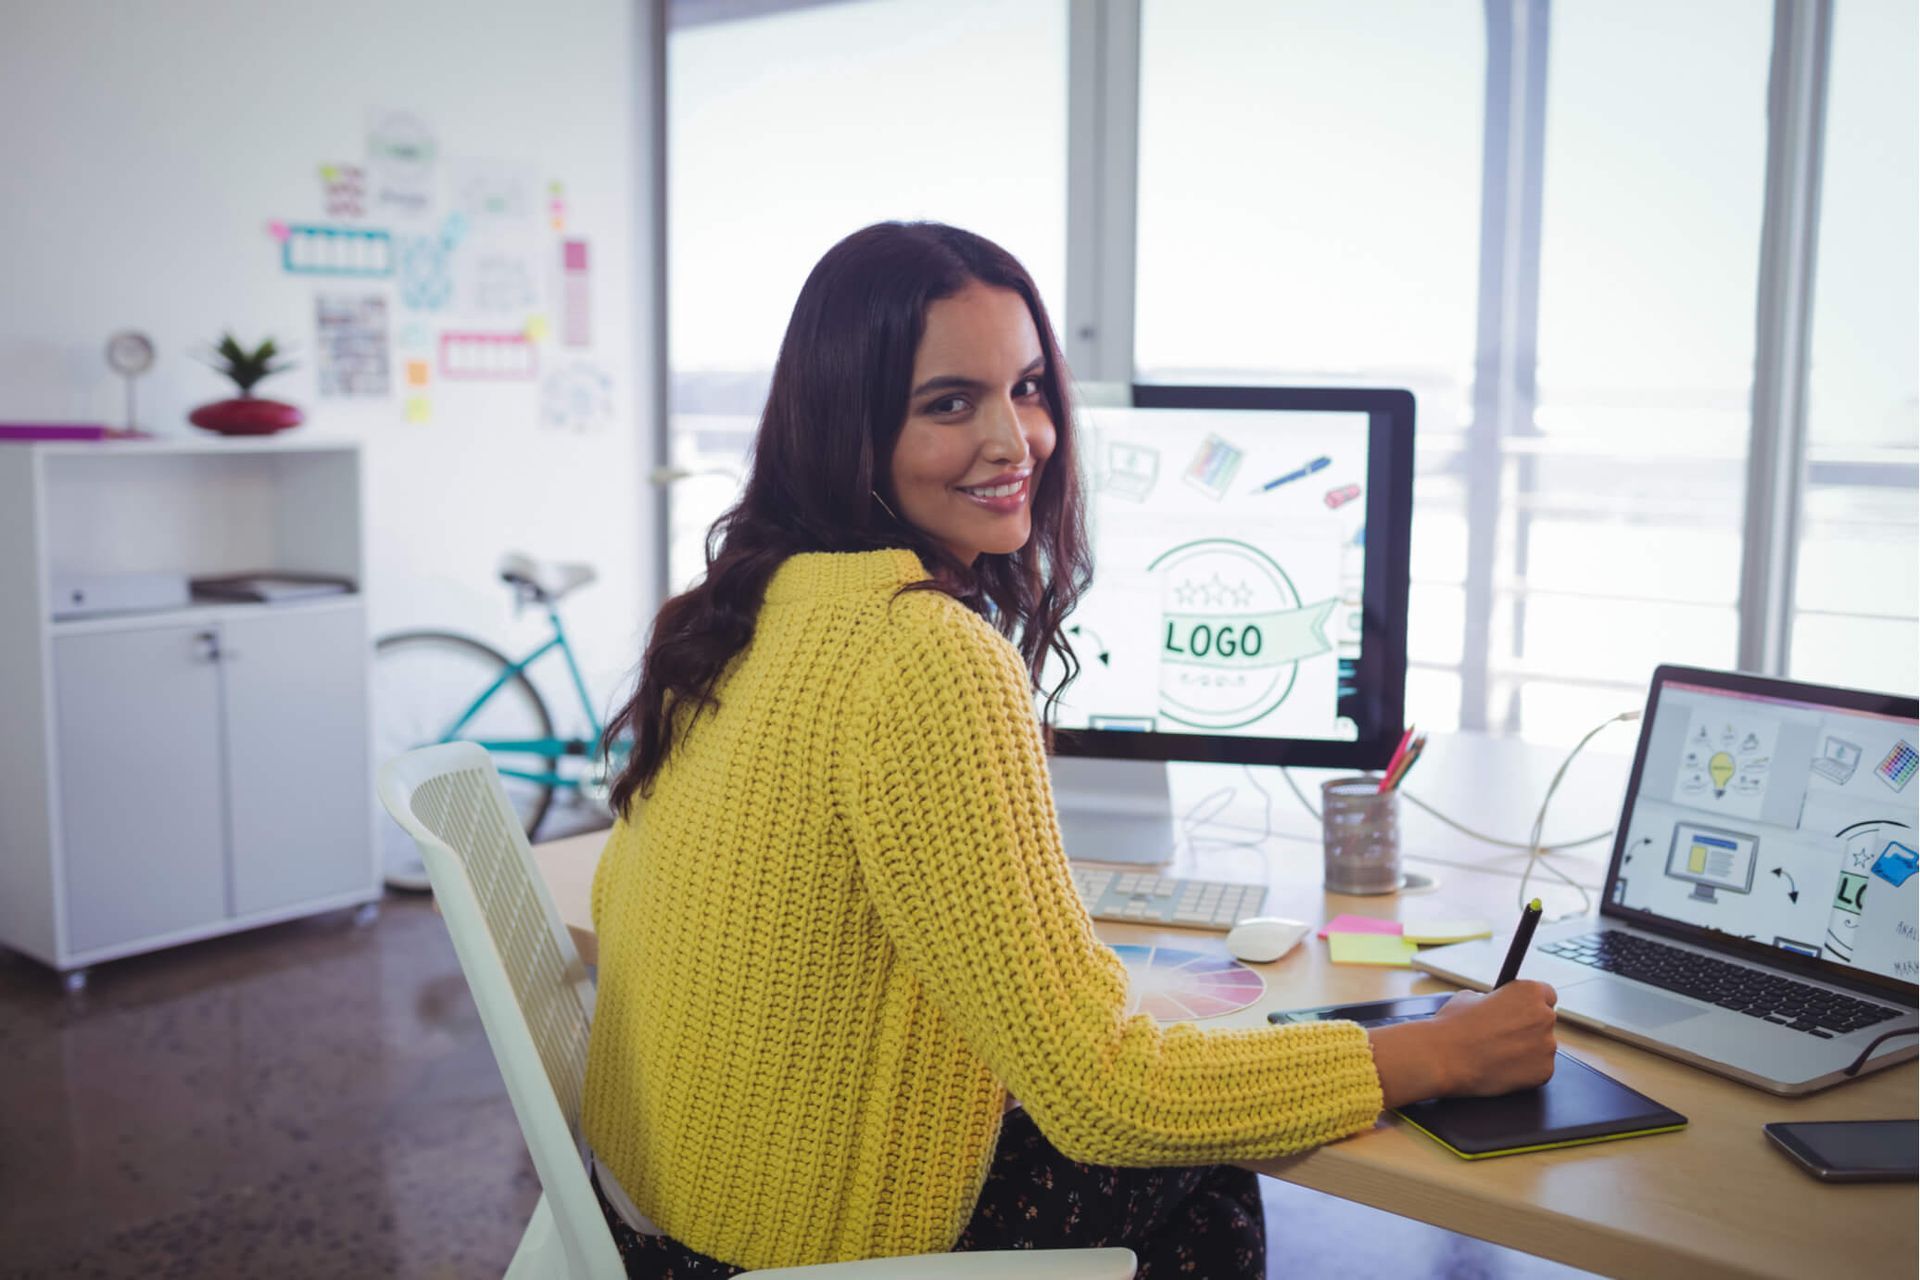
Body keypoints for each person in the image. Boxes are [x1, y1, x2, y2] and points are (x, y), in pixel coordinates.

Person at [581, 221, 1558, 1278]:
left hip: (666, 1215)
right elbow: (1106, 1098)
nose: (1018, 439)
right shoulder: (924, 653)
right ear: (849, 426)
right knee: (1201, 1159)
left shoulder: (744, 606)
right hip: (803, 1254)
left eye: (1032, 386)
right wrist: (1435, 1051)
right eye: (949, 403)